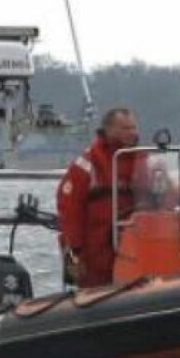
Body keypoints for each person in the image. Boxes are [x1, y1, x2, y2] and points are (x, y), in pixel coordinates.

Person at [57, 107, 140, 288]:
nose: (133, 133)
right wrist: (74, 253)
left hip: (137, 250)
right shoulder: (87, 164)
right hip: (96, 256)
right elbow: (69, 212)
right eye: (126, 129)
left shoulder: (143, 160)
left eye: (134, 128)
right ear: (109, 130)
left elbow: (165, 200)